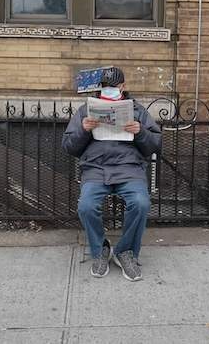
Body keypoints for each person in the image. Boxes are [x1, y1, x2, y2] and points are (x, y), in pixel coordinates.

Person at [62, 67, 162, 281]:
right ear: (101, 88)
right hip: (96, 169)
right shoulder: (86, 110)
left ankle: (125, 251)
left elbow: (155, 143)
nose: (110, 90)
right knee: (86, 206)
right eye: (106, 87)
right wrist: (83, 129)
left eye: (114, 87)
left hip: (129, 168)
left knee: (141, 202)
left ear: (123, 87)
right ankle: (100, 250)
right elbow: (69, 146)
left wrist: (141, 132)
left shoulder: (137, 110)